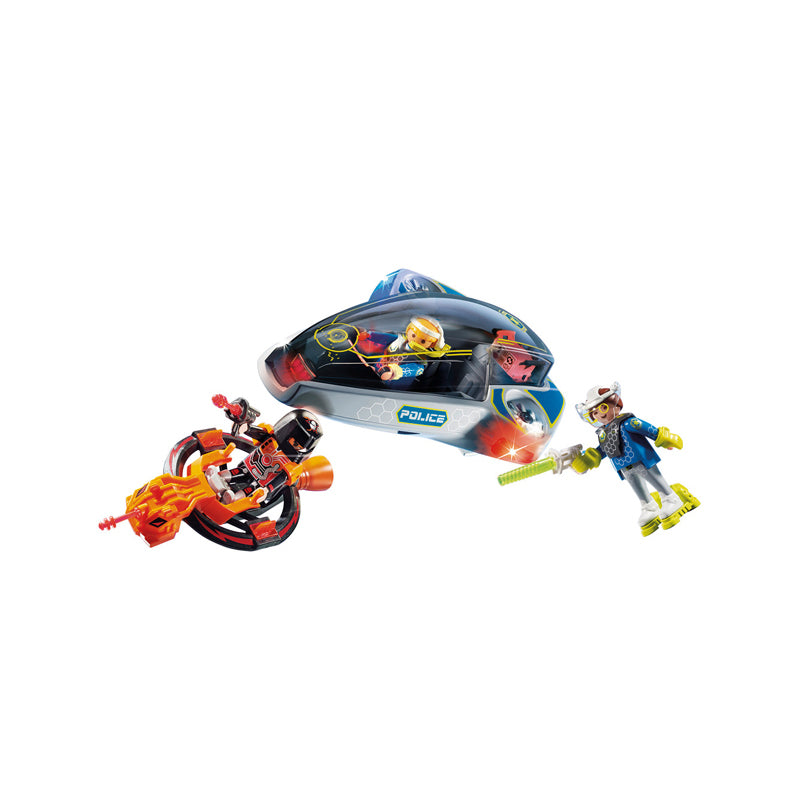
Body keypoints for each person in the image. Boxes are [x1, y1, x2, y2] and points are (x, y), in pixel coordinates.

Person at [573, 383, 698, 535]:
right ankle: (649, 507)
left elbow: (648, 429)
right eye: (594, 413)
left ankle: (670, 498)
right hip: (623, 465)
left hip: (641, 459)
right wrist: (589, 459)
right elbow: (603, 450)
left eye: (603, 408)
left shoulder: (628, 422)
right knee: (635, 485)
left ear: (616, 404)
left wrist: (665, 438)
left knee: (653, 478)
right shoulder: (603, 433)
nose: (599, 414)